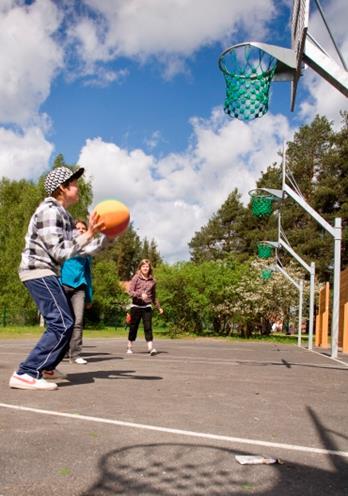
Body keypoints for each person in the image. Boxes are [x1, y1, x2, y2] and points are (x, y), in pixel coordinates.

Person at [9, 166, 114, 391]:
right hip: (37, 270)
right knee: (62, 322)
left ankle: (47, 367)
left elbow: (81, 249)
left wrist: (107, 238)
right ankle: (25, 372)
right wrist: (89, 233)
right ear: (62, 188)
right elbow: (59, 252)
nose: (78, 186)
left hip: (47, 272)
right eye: (74, 183)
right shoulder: (49, 210)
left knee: (67, 322)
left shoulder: (64, 215)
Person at [60, 219, 93, 364]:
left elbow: (87, 274)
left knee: (78, 321)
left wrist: (89, 297)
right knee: (62, 322)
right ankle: (59, 353)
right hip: (62, 286)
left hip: (79, 288)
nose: (80, 230)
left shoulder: (87, 252)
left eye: (83, 228)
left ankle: (75, 355)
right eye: (77, 228)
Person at [127, 259, 163, 355]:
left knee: (148, 327)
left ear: (150, 268)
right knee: (133, 327)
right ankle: (129, 346)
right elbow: (130, 292)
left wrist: (159, 307)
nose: (145, 268)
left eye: (147, 266)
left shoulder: (153, 281)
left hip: (147, 306)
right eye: (143, 266)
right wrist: (140, 294)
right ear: (140, 268)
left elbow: (154, 296)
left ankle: (150, 348)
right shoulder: (136, 278)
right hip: (136, 306)